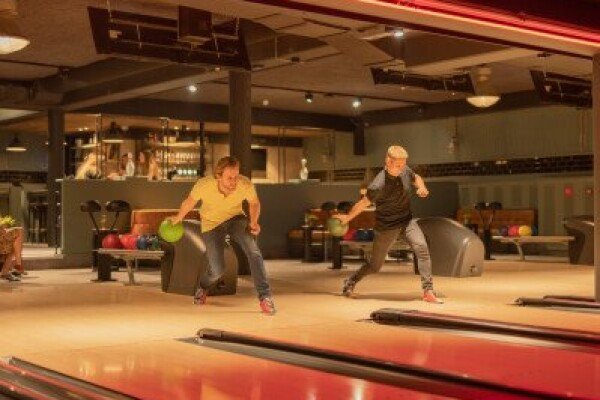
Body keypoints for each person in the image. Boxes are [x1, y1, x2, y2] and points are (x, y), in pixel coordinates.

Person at [335, 145, 443, 304]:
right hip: (386, 227)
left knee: (422, 247)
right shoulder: (378, 185)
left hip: (406, 221)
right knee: (374, 266)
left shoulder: (405, 170)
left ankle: (428, 291)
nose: (402, 168)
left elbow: (416, 177)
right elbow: (363, 203)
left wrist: (421, 187)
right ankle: (351, 281)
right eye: (398, 165)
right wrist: (348, 217)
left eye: (403, 164)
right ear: (388, 161)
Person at [170, 156, 276, 315]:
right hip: (212, 224)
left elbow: (254, 202)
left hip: (235, 219)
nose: (234, 182)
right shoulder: (204, 185)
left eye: (236, 176)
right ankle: (203, 286)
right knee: (218, 270)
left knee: (253, 252)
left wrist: (254, 222)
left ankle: (265, 297)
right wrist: (178, 218)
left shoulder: (244, 184)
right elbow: (189, 202)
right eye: (229, 178)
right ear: (218, 176)